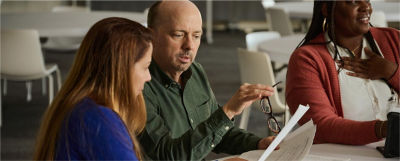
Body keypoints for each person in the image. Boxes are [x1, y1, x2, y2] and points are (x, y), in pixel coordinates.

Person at [138, 1, 278, 160]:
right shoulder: (139, 85)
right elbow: (169, 156)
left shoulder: (195, 71)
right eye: (178, 35)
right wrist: (228, 111)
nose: (189, 45)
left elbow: (217, 134)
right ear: (151, 35)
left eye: (196, 36)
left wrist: (258, 143)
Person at [33, 17, 153, 160]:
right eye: (145, 67)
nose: (149, 77)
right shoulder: (97, 118)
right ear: (121, 70)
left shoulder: (78, 107)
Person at [286, 0, 399, 145]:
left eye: (368, 0)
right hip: (343, 155)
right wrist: (385, 129)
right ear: (327, 9)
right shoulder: (306, 59)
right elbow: (320, 125)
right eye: (353, 1)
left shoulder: (393, 41)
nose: (366, 7)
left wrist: (392, 72)